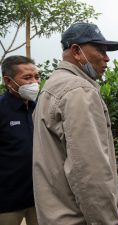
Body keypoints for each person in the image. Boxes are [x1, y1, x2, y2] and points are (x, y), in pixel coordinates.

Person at [32, 22, 118, 225]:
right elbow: (90, 172)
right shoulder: (79, 91)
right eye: (100, 50)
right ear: (76, 51)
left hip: (54, 214)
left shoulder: (52, 86)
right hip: (76, 218)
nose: (107, 58)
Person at [0, 56, 39, 225]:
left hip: (39, 198)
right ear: (8, 81)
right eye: (27, 77)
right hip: (7, 201)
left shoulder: (39, 108)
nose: (34, 83)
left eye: (37, 77)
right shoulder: (2, 110)